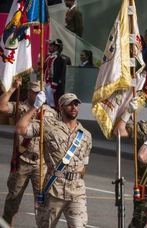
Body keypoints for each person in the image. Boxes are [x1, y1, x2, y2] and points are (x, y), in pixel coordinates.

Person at [15, 93, 92, 227]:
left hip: (77, 192)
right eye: (69, 104)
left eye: (76, 104)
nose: (73, 107)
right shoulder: (49, 126)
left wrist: (76, 177)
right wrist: (35, 107)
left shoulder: (85, 135)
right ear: (60, 107)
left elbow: (84, 164)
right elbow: (20, 129)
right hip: (53, 189)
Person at [0, 79, 57, 226]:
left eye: (40, 92)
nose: (38, 94)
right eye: (34, 92)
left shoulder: (50, 112)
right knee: (13, 199)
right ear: (29, 92)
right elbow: (2, 107)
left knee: (42, 203)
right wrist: (12, 89)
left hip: (41, 163)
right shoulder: (20, 107)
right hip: (22, 161)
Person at [114, 103, 147, 228]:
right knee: (138, 223)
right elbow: (118, 132)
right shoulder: (143, 127)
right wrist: (128, 112)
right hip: (146, 186)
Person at [44, 39, 67, 109]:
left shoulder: (59, 58)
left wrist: (54, 86)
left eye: (51, 46)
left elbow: (58, 74)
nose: (49, 47)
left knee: (54, 104)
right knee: (48, 103)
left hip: (53, 85)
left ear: (56, 48)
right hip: (47, 83)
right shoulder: (49, 57)